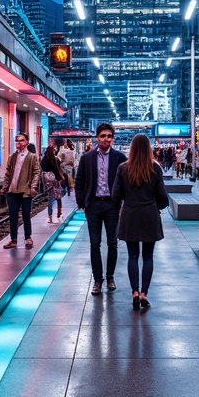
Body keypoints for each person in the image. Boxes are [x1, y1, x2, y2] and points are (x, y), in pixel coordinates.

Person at [112, 133, 169, 310]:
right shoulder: (155, 168)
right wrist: (156, 205)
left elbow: (115, 195)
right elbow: (163, 198)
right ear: (149, 148)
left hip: (130, 215)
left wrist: (127, 200)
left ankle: (134, 292)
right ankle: (144, 292)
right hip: (150, 215)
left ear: (132, 148)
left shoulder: (123, 168)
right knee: (148, 256)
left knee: (132, 255)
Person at [74, 122, 127, 294]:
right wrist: (82, 203)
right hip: (94, 205)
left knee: (113, 243)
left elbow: (126, 182)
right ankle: (97, 280)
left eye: (109, 136)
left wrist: (122, 202)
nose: (106, 139)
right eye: (103, 136)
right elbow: (79, 181)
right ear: (97, 138)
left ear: (113, 138)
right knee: (94, 243)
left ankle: (110, 276)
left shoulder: (120, 158)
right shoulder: (87, 158)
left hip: (112, 205)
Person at [0, 131, 40, 249]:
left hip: (25, 190)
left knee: (26, 214)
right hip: (12, 191)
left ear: (26, 142)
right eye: (17, 140)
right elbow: (8, 173)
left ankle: (28, 238)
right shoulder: (12, 157)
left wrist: (33, 186)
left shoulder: (32, 157)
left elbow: (36, 172)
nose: (19, 142)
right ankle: (13, 240)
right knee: (12, 215)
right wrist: (5, 186)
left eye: (21, 140)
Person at [40, 143, 65, 222]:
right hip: (55, 180)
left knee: (50, 198)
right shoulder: (55, 159)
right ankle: (59, 212)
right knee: (58, 196)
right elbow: (57, 170)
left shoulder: (44, 159)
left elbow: (42, 169)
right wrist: (60, 178)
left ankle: (50, 217)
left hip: (47, 181)